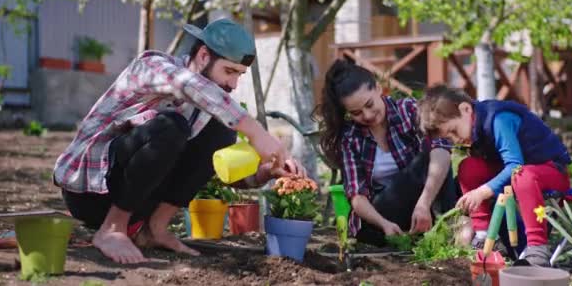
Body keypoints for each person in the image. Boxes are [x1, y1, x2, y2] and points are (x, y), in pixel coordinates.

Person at [54, 18, 305, 264]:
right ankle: (111, 229)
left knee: (220, 130)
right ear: (204, 56)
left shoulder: (209, 108)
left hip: (138, 200)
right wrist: (257, 132)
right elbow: (189, 85)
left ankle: (155, 229)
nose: (233, 83)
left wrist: (265, 173)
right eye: (229, 71)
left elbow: (211, 167)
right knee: (171, 126)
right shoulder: (152, 66)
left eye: (239, 74)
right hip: (89, 193)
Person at [417, 85, 571, 267]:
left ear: (465, 109)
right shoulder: (475, 128)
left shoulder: (499, 119)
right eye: (449, 138)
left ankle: (537, 247)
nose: (456, 140)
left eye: (454, 131)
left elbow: (515, 165)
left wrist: (482, 191)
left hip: (551, 171)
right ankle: (485, 235)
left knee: (522, 175)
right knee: (468, 167)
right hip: (521, 174)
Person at [316, 59, 456, 246]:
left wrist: (424, 203)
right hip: (382, 216)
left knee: (432, 154)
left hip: (423, 203)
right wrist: (384, 224)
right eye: (356, 113)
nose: (366, 115)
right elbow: (357, 196)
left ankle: (450, 227)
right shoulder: (351, 137)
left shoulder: (408, 110)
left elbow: (442, 149)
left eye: (369, 104)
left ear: (379, 89)